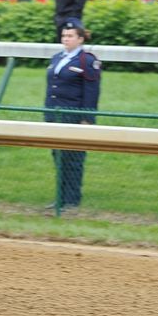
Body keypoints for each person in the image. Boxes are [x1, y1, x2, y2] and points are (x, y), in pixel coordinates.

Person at [44, 22, 101, 212]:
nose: (66, 39)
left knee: (73, 159)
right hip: (55, 115)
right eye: (64, 35)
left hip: (73, 115)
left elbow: (91, 92)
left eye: (70, 36)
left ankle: (72, 200)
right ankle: (60, 198)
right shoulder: (57, 57)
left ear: (80, 39)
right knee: (58, 157)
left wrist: (87, 119)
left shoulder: (87, 61)